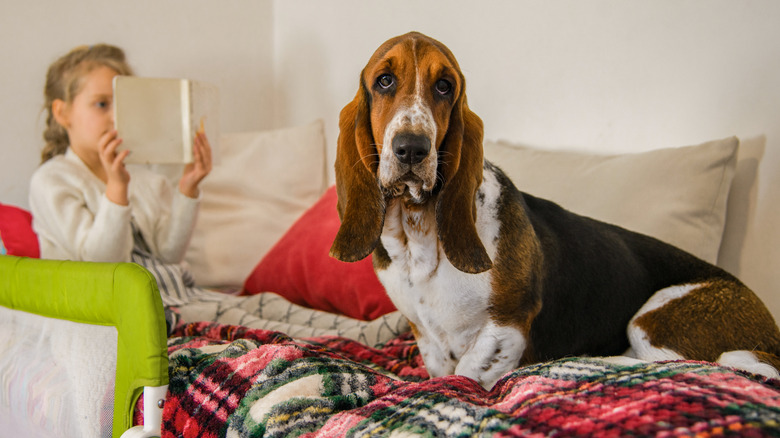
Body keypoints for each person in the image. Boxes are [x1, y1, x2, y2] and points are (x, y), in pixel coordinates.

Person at [29, 44, 409, 345]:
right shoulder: (54, 181)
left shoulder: (140, 179)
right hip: (129, 314)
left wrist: (187, 188)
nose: (114, 116)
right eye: (101, 104)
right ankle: (359, 338)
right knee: (245, 321)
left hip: (176, 294)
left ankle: (369, 329)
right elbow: (101, 267)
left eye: (120, 104)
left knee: (266, 304)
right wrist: (115, 191)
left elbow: (166, 257)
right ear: (62, 113)